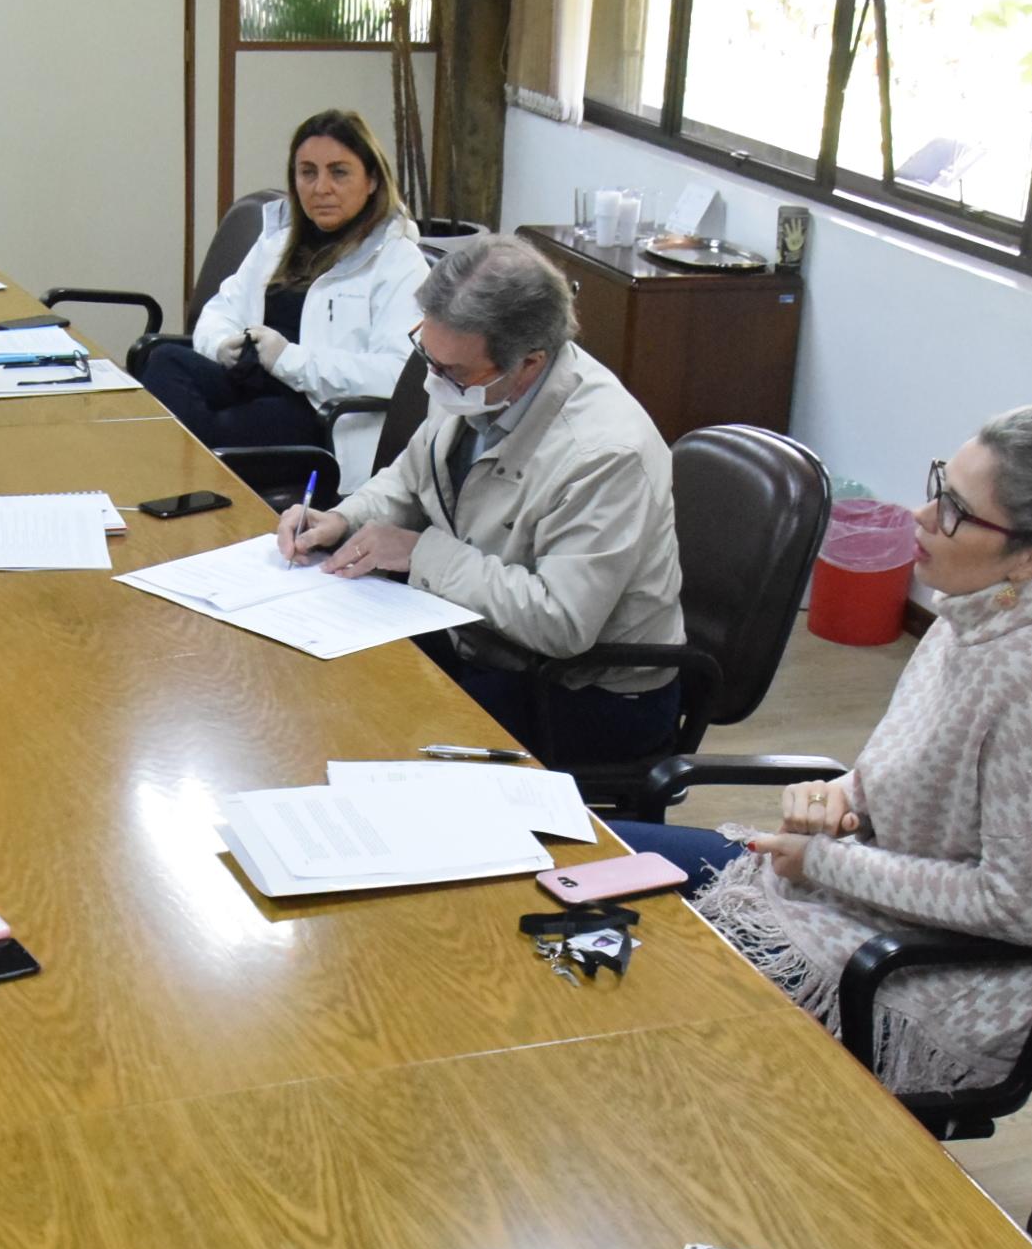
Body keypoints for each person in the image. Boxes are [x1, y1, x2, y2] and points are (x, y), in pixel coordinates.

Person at [615, 410, 1032, 1096]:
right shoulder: (976, 613)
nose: (921, 514)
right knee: (600, 857)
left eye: (956, 511)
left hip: (928, 984)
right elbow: (904, 768)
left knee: (636, 993)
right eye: (940, 485)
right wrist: (841, 797)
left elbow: (1020, 910)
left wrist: (829, 862)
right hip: (855, 908)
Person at [275, 232, 684, 766]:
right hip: (485, 645)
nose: (433, 381)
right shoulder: (474, 378)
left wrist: (420, 552)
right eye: (428, 355)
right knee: (320, 689)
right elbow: (409, 479)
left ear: (530, 363)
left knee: (377, 740)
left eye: (452, 371)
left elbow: (561, 622)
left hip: (586, 695)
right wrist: (341, 518)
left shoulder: (605, 452)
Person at [143, 109, 429, 485]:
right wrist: (221, 346)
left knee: (206, 434)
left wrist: (289, 359)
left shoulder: (398, 261)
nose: (320, 187)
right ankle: (180, 482)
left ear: (372, 180)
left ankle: (184, 487)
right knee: (163, 359)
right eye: (307, 172)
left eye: (339, 172)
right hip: (255, 379)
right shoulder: (281, 240)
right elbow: (221, 308)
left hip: (319, 411)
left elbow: (399, 376)